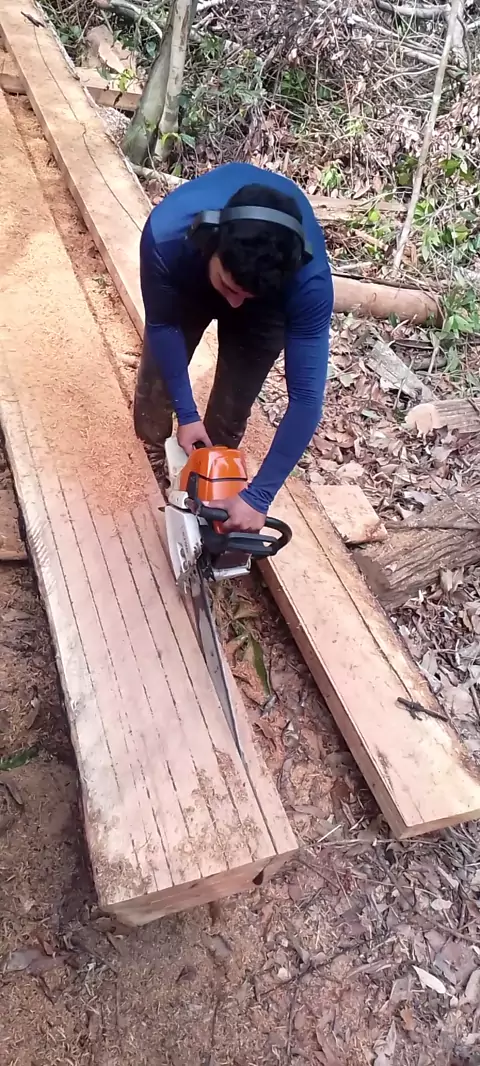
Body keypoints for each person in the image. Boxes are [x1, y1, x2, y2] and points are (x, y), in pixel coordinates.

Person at [135, 161, 333, 532]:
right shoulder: (167, 237)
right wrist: (186, 414)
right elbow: (163, 325)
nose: (235, 303)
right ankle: (151, 450)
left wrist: (259, 497)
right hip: (191, 278)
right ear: (210, 242)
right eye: (229, 288)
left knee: (232, 407)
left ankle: (212, 485)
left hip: (269, 306)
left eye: (245, 296)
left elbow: (306, 398)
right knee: (157, 383)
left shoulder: (310, 285)